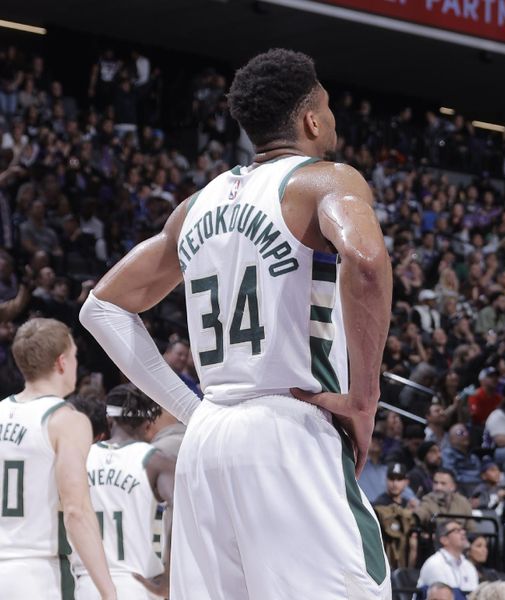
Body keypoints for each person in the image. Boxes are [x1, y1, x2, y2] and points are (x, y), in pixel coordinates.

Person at [80, 49, 393, 599]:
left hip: (208, 441)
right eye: (329, 108)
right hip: (289, 427)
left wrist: (193, 412)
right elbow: (367, 262)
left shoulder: (195, 206)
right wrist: (364, 400)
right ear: (311, 119)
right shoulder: (324, 181)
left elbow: (101, 307)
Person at [0, 318, 116, 599]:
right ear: (62, 362)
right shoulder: (65, 420)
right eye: (75, 356)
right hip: (37, 575)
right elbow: (76, 511)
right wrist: (109, 592)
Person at [71, 384, 176, 600]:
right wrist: (169, 577)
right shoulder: (157, 462)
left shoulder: (80, 457)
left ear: (109, 420)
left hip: (88, 583)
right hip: (139, 584)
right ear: (148, 424)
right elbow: (182, 512)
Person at [418, 520, 479, 595]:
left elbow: (475, 595)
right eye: (457, 531)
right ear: (444, 540)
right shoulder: (435, 564)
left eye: (462, 530)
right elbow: (445, 596)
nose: (463, 532)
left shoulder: (468, 565)